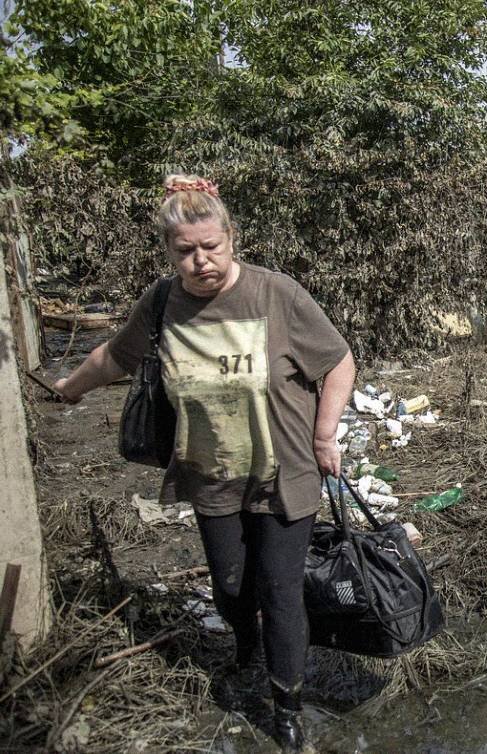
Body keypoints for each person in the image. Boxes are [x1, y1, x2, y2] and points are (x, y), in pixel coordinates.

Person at [54, 174, 354, 753]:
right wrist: (72, 387)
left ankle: (286, 705)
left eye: (210, 247)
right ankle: (245, 648)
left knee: (279, 587)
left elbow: (338, 362)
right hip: (210, 471)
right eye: (185, 251)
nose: (200, 261)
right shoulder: (163, 301)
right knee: (231, 583)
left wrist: (324, 434)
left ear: (231, 238)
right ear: (169, 250)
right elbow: (115, 356)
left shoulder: (275, 294)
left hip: (284, 468)